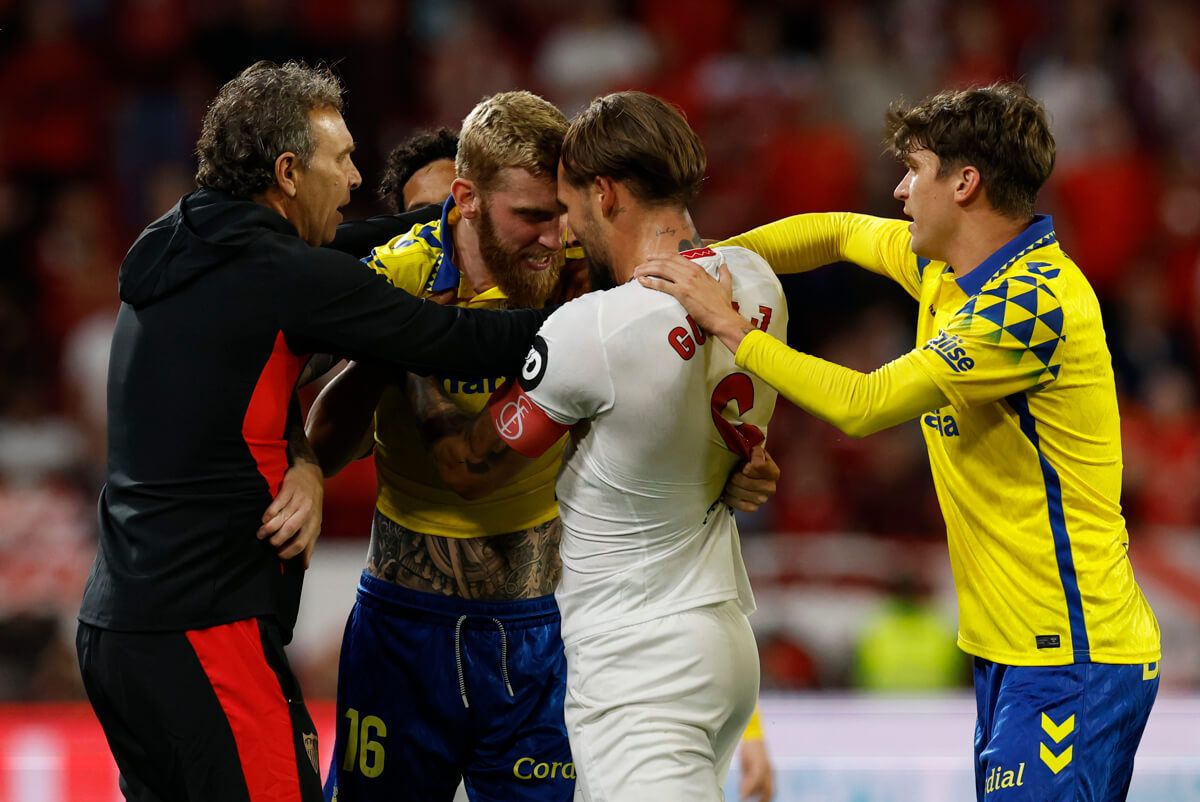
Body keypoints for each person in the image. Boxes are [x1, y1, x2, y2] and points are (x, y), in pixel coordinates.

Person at [636, 82, 1161, 802]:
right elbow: (835, 232)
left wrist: (729, 324)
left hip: (1073, 653)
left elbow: (865, 403)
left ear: (965, 183)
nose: (899, 188)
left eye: (915, 170)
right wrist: (710, 263)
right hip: (1013, 650)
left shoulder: (1032, 305)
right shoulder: (953, 269)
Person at [74, 61, 549, 802]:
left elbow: (323, 267)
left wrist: (295, 457)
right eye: (342, 159)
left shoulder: (183, 240)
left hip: (122, 626)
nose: (356, 179)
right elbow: (458, 339)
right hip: (209, 631)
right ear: (289, 171)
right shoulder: (277, 274)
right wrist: (609, 311)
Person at [309, 97, 780, 802]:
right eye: (532, 215)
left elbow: (669, 406)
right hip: (406, 630)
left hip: (543, 634)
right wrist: (384, 353)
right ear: (466, 199)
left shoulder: (589, 283)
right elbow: (322, 440)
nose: (554, 236)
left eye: (562, 211)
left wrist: (738, 460)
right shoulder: (399, 275)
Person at [447, 90, 787, 801]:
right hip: (721, 638)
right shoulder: (758, 284)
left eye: (567, 208)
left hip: (640, 663)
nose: (564, 234)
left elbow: (471, 468)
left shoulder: (595, 329)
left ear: (604, 194)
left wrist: (421, 336)